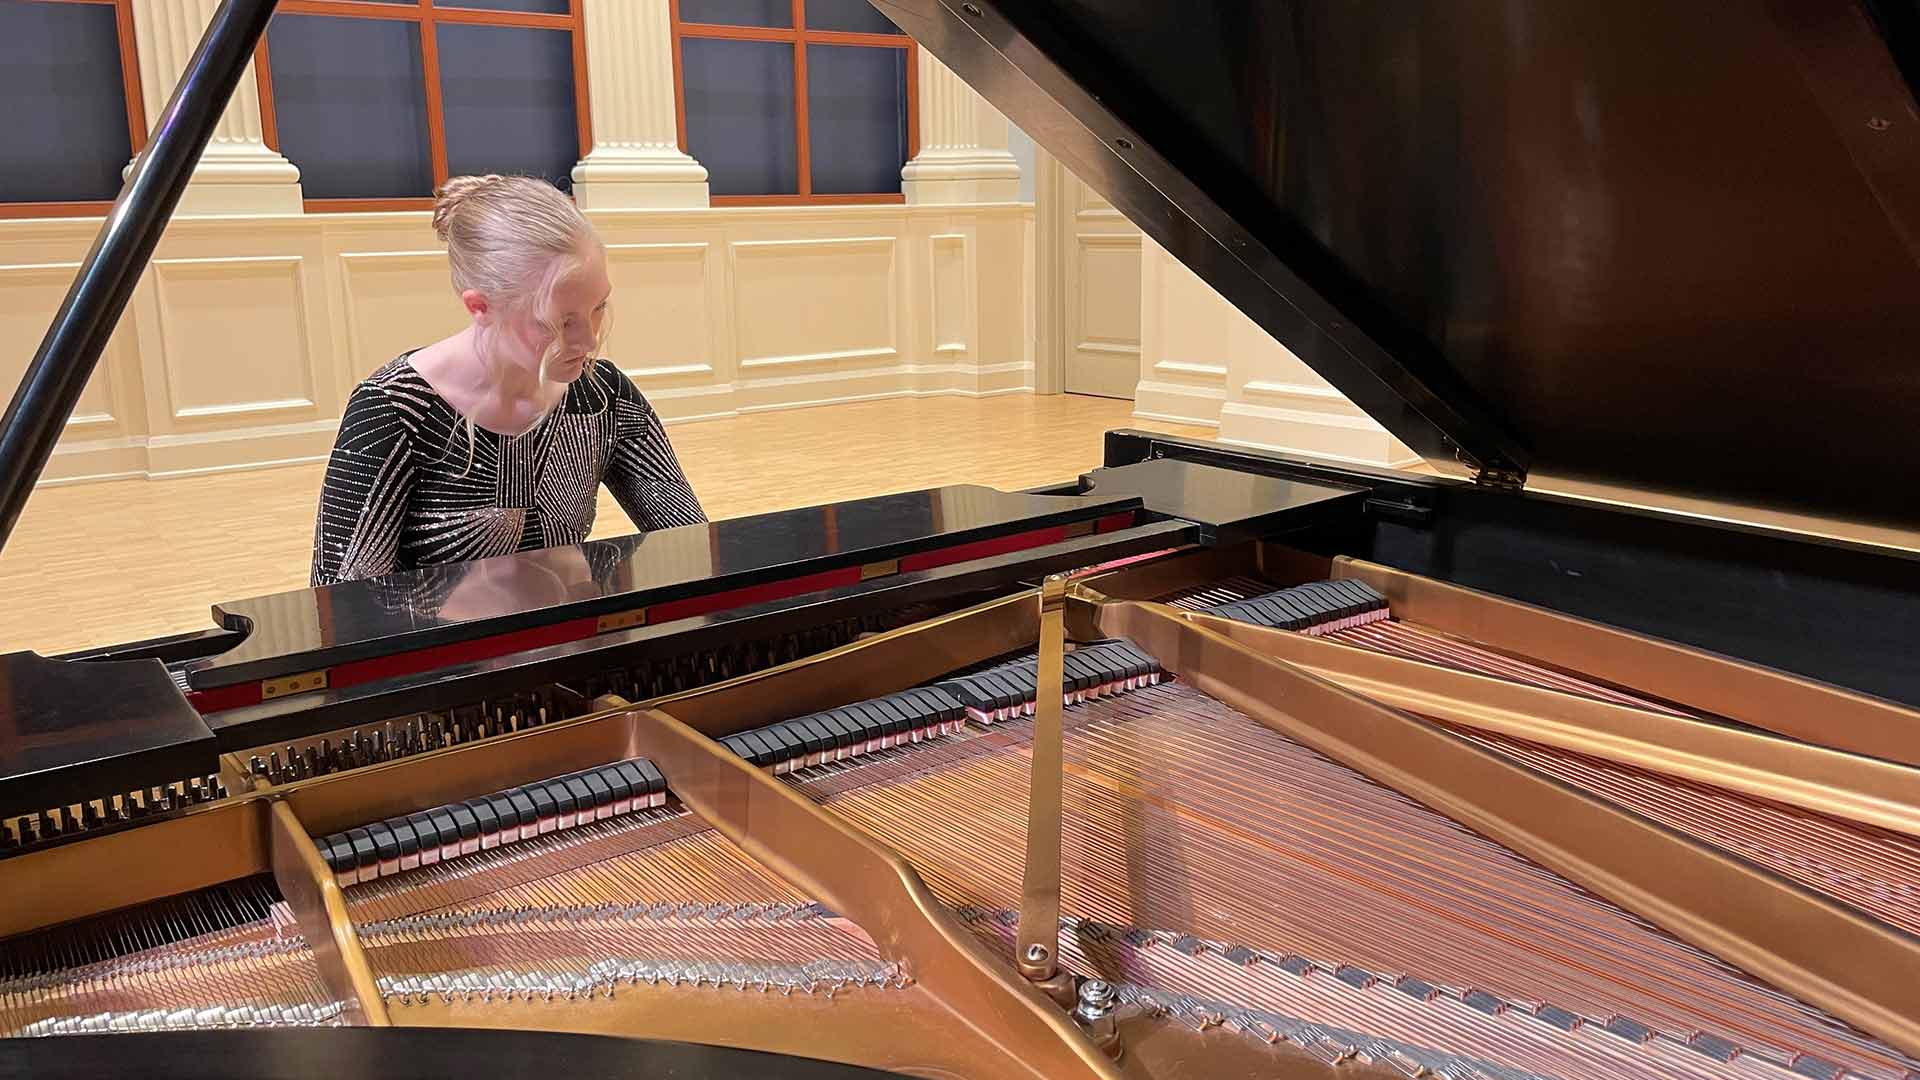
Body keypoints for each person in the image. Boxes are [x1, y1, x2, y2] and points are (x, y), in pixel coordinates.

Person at [309, 174, 706, 588]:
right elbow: (342, 605)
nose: (588, 341)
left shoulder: (602, 396)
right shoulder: (394, 409)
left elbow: (690, 544)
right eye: (559, 321)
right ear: (480, 306)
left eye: (598, 307)